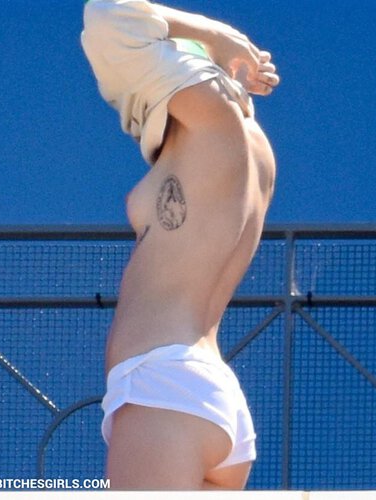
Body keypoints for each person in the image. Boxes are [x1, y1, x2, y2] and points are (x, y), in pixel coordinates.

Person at [81, 0, 279, 490]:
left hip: (163, 386)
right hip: (207, 397)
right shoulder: (248, 149)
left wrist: (219, 37)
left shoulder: (213, 119)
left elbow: (110, 16)